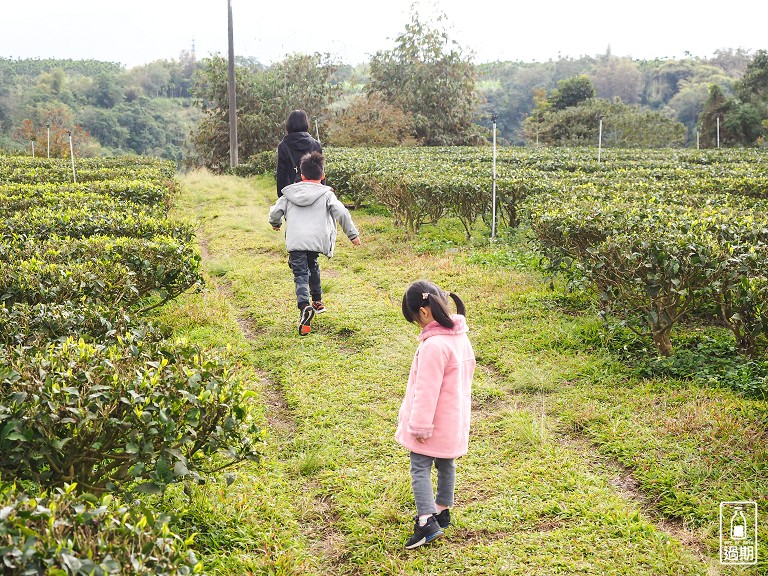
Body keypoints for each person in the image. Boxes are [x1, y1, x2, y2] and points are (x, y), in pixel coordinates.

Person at [396, 280, 476, 549]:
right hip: (454, 421)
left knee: (420, 466)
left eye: (415, 319)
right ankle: (442, 511)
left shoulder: (433, 346)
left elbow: (426, 391)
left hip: (431, 422)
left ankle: (425, 521)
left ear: (425, 311)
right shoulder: (460, 338)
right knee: (446, 463)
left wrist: (419, 426)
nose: (417, 326)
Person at [268, 151, 361, 336]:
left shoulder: (289, 193)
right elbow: (342, 213)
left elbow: (275, 212)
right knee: (313, 265)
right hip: (316, 241)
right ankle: (317, 301)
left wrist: (276, 223)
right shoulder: (326, 195)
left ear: (301, 175)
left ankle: (305, 306)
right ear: (323, 176)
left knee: (300, 274)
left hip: (296, 242)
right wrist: (353, 235)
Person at [276, 109, 323, 198]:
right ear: (306, 123)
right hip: (313, 193)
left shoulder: (283, 146)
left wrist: (281, 196)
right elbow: (321, 172)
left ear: (289, 124)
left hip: (292, 193)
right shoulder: (315, 144)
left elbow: (281, 174)